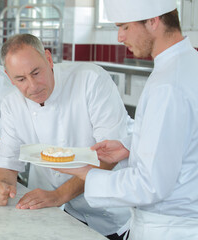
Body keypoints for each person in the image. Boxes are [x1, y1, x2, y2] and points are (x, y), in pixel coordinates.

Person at [54, 0, 198, 239]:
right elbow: (185, 138)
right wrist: (131, 148)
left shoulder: (168, 85)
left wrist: (86, 173)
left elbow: (149, 186)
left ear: (153, 21)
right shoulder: (188, 63)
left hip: (169, 228)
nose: (120, 37)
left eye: (125, 27)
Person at [0, 34, 133, 240]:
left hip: (108, 211)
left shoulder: (90, 80)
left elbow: (110, 155)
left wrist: (59, 195)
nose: (33, 85)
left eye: (36, 73)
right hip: (59, 214)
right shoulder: (12, 104)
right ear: (8, 77)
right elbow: (7, 162)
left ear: (48, 59)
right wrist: (1, 185)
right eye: (20, 79)